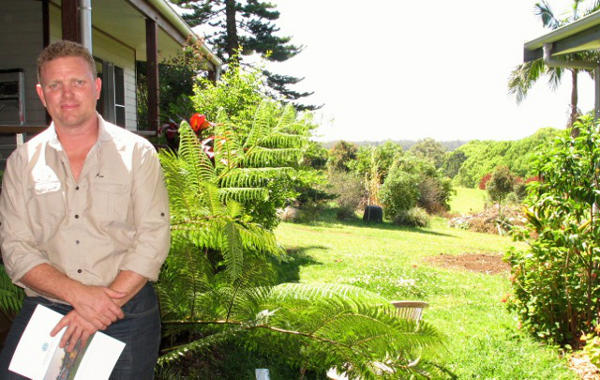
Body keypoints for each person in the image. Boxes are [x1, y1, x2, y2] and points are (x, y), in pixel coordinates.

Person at [0, 40, 170, 379]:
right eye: (55, 85)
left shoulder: (138, 154)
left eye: (77, 82)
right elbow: (16, 249)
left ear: (96, 87)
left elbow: (153, 238)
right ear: (41, 93)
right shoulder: (21, 163)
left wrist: (97, 307)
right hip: (48, 311)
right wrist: (80, 297)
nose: (67, 94)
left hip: (126, 312)